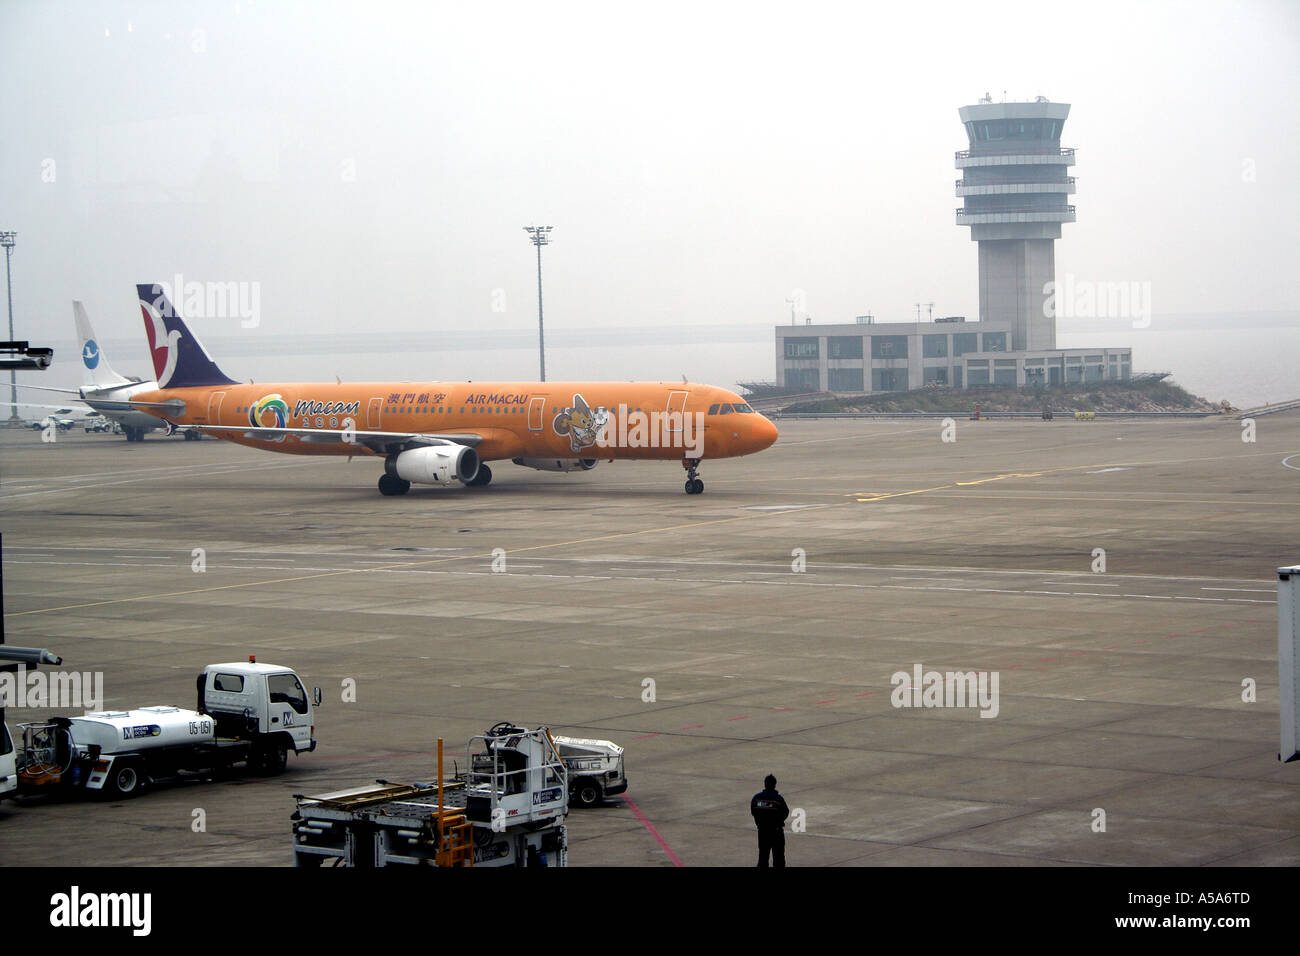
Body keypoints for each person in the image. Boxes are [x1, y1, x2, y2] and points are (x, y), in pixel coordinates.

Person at [750, 773, 789, 867]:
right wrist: (777, 821)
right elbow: (785, 812)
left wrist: (759, 822)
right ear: (775, 785)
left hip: (762, 832)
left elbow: (753, 811)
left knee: (763, 857)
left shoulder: (757, 798)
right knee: (778, 858)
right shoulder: (778, 799)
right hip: (776, 832)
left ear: (765, 784)